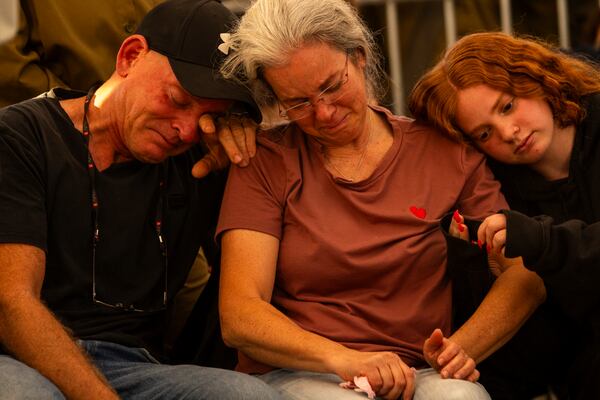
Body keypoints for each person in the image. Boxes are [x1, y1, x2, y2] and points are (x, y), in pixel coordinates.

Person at [214, 1, 546, 399]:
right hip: (298, 372)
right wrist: (344, 359)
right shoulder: (265, 158)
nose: (324, 113)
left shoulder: (444, 152)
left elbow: (523, 273)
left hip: (416, 371)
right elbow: (239, 315)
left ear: (359, 57)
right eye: (298, 103)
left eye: (332, 86)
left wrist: (461, 351)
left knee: (462, 396)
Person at [0, 0, 284, 399]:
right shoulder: (22, 136)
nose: (185, 129)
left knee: (247, 395)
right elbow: (12, 303)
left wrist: (243, 165)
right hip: (22, 358)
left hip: (136, 367)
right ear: (130, 57)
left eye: (209, 114)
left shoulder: (199, 159)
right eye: (178, 99)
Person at [408, 31, 600, 399]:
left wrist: (541, 241)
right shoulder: (499, 191)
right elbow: (541, 342)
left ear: (533, 76)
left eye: (507, 106)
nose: (509, 133)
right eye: (484, 132)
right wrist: (475, 267)